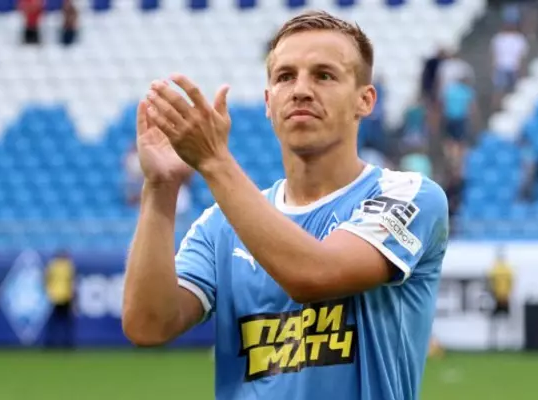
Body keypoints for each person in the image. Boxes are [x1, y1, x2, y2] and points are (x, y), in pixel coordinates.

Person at [122, 11, 449, 400]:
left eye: (324, 75)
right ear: (268, 101)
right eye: (285, 77)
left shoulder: (408, 196)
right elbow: (148, 325)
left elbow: (313, 276)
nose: (301, 90)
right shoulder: (221, 224)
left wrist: (214, 162)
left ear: (365, 100)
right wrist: (160, 187)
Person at [44, 250, 75, 349]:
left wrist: (49, 291)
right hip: (65, 296)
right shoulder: (68, 266)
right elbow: (72, 282)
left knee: (54, 322)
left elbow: (46, 279)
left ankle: (51, 342)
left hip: (55, 296)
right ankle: (67, 343)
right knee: (66, 322)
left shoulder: (52, 265)